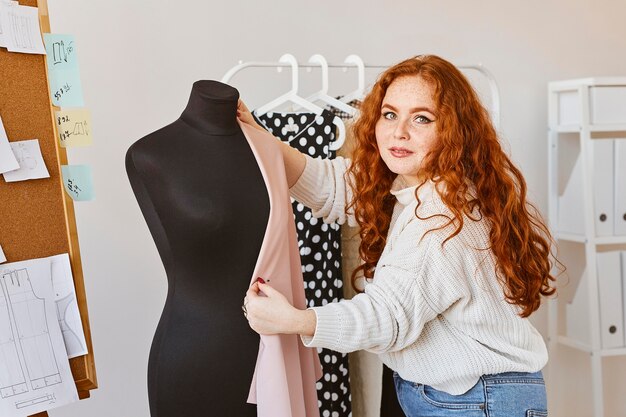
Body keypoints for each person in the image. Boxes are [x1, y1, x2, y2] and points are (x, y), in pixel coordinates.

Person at [237, 55, 557, 417]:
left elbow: (385, 318)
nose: (398, 131)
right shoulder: (418, 184)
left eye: (421, 118)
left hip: (477, 399)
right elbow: (335, 187)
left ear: (454, 131)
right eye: (389, 114)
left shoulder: (438, 220)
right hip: (477, 394)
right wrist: (260, 137)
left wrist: (293, 320)